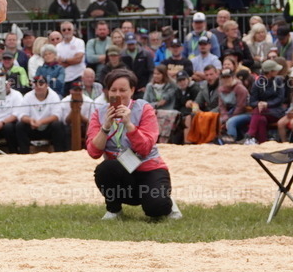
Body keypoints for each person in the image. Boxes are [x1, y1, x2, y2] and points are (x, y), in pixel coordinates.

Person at [87, 67, 179, 220]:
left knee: (156, 209)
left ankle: (165, 201)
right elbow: (93, 152)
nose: (117, 94)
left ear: (132, 90)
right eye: (113, 90)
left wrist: (129, 125)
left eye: (123, 90)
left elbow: (145, 148)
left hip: (149, 168)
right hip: (122, 171)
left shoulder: (144, 108)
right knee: (106, 168)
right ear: (107, 92)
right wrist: (106, 126)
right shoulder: (100, 113)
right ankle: (114, 210)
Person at [17, 75, 68, 153]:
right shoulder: (27, 96)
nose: (38, 86)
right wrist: (30, 120)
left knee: (58, 125)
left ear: (47, 85)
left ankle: (59, 152)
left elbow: (57, 116)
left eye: (41, 84)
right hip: (33, 127)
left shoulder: (54, 96)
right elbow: (22, 115)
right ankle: (24, 153)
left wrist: (41, 122)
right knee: (20, 125)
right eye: (36, 84)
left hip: (48, 128)